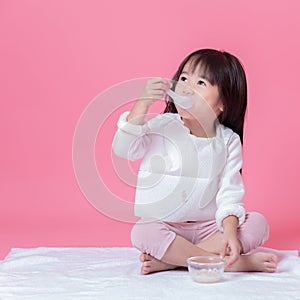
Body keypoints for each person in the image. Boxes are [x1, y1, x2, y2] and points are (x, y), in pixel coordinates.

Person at [112, 49, 278, 275]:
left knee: (257, 223)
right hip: (165, 226)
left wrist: (229, 231)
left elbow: (230, 193)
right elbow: (124, 149)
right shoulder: (162, 125)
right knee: (143, 232)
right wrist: (141, 105)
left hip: (209, 229)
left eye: (201, 83)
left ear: (223, 104)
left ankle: (174, 261)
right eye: (183, 78)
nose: (186, 87)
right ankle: (230, 263)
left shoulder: (228, 141)